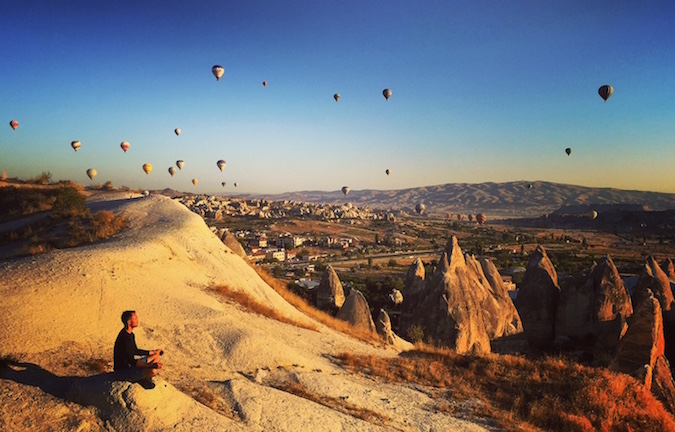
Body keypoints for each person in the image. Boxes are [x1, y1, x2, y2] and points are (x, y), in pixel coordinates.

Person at [113, 310, 164, 385]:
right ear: (129, 322)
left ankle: (144, 376)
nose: (137, 321)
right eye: (135, 319)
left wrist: (153, 352)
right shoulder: (124, 338)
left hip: (131, 365)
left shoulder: (130, 334)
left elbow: (135, 351)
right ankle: (142, 377)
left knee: (156, 356)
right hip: (123, 370)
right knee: (153, 371)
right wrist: (150, 366)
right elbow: (132, 361)